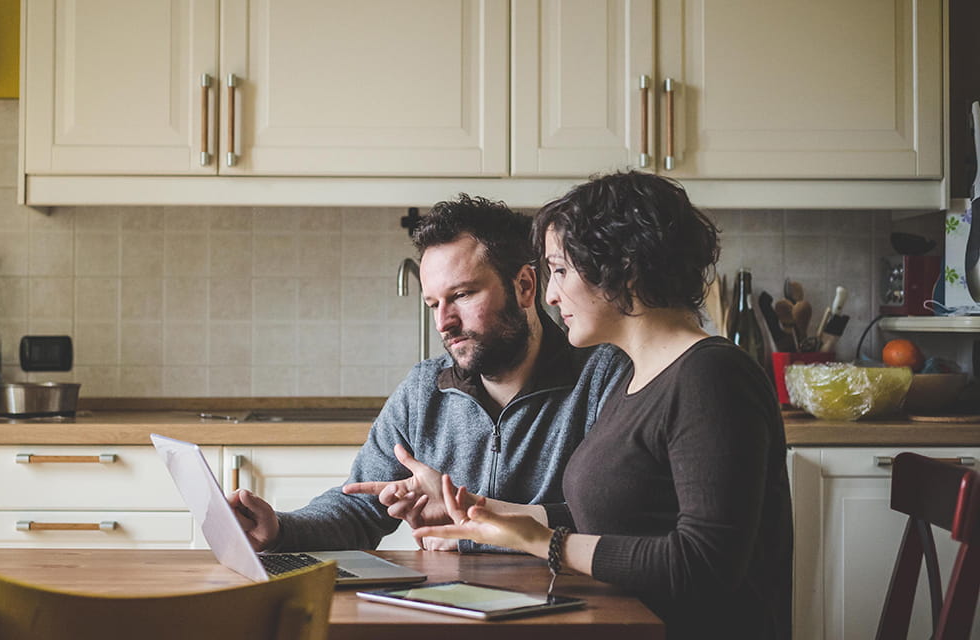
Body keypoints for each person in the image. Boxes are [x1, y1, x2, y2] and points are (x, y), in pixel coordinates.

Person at [413, 172, 792, 640]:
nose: (550, 295)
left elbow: (703, 563)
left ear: (622, 269)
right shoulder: (633, 379)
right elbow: (621, 516)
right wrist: (488, 513)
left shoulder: (712, 378)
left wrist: (546, 544)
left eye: (561, 271)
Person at [227, 194, 630, 553]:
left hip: (568, 602)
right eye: (433, 304)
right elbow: (360, 508)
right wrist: (280, 528)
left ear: (525, 286)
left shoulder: (603, 378)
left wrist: (475, 512)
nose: (444, 323)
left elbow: (620, 517)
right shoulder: (424, 390)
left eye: (462, 295)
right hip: (450, 605)